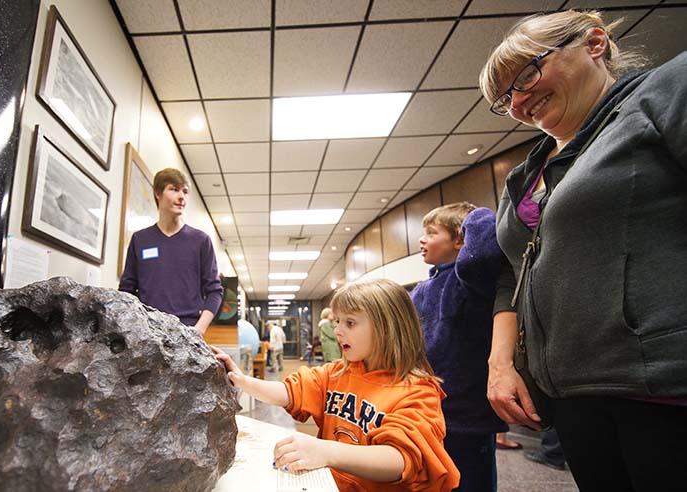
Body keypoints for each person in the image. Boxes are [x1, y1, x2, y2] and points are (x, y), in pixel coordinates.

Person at [479, 10, 687, 491]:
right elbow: (512, 275)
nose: (519, 100)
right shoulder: (523, 175)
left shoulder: (660, 95)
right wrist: (501, 364)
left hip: (658, 387)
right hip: (571, 392)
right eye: (505, 97)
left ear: (594, 43)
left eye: (527, 75)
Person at [212, 279, 460, 491]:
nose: (338, 331)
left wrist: (326, 451)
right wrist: (242, 380)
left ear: (387, 328)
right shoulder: (336, 373)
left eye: (349, 323)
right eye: (337, 321)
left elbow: (401, 458)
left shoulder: (417, 391)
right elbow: (290, 392)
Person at [410, 203, 507, 492]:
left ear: (460, 239)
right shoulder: (423, 288)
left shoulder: (471, 280)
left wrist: (474, 215)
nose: (422, 239)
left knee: (471, 482)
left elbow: (485, 253)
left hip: (468, 413)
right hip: (428, 409)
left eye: (432, 232)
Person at [119, 168, 223, 335]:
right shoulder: (140, 239)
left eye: (185, 191)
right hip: (148, 333)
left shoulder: (201, 240)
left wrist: (198, 330)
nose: (182, 196)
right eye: (174, 189)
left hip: (188, 332)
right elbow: (126, 291)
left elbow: (215, 291)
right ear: (158, 194)